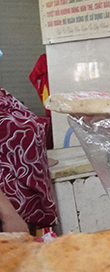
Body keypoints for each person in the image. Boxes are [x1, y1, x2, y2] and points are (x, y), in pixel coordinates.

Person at [0, 87, 57, 234]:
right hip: (7, 218)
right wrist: (8, 215)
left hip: (27, 214)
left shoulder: (3, 94)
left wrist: (37, 160)